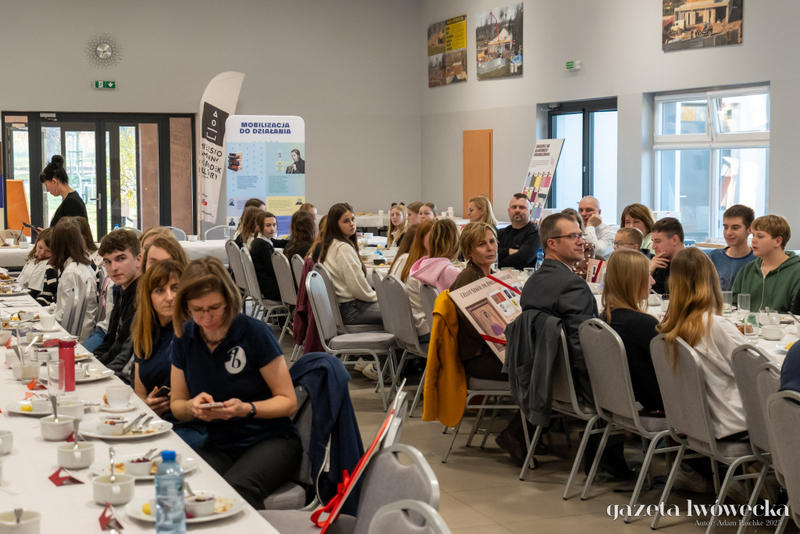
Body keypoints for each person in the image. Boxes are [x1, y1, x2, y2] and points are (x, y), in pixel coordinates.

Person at [170, 257, 301, 508]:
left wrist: (247, 409)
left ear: (229, 300)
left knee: (233, 492)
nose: (206, 318)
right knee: (183, 486)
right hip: (221, 442)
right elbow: (177, 405)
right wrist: (192, 407)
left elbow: (288, 402)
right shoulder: (185, 337)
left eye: (214, 308)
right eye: (197, 310)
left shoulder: (255, 333)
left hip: (270, 439)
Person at [658, 248, 747, 440]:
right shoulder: (715, 325)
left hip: (694, 423)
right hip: (732, 424)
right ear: (711, 280)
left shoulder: (669, 326)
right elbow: (755, 371)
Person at [521, 213, 596, 404]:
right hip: (575, 388)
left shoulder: (532, 281)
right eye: (573, 236)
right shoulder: (573, 285)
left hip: (546, 381)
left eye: (580, 235)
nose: (581, 242)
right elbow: (582, 345)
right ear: (552, 244)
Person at [131, 260, 207, 449]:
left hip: (193, 425)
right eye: (159, 290)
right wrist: (147, 405)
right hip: (157, 422)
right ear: (148, 297)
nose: (170, 297)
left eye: (175, 288)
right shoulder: (145, 333)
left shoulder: (196, 332)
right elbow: (140, 393)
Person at [601, 249, 663, 412]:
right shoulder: (643, 323)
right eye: (647, 275)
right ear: (632, 280)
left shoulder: (604, 318)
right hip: (656, 403)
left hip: (620, 402)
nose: (653, 281)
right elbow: (671, 365)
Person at [450, 222, 501, 380]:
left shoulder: (492, 275)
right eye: (481, 244)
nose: (490, 248)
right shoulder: (468, 279)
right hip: (480, 357)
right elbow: (478, 330)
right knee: (537, 366)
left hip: (496, 350)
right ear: (469, 252)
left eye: (492, 241)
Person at [320, 203, 381, 324]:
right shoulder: (343, 248)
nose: (352, 223)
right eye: (346, 221)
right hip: (352, 309)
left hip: (344, 308)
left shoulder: (331, 244)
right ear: (335, 225)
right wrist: (379, 297)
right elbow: (357, 287)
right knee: (402, 311)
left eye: (353, 219)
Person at [731, 215, 800, 313]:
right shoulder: (747, 269)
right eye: (753, 235)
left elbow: (796, 314)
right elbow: (733, 305)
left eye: (760, 236)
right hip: (745, 322)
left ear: (778, 241)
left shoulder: (796, 271)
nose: (753, 240)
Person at [408, 219, 461, 343]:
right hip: (441, 331)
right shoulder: (451, 273)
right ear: (455, 242)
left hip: (422, 325)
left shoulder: (422, 266)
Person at [94, 230, 142, 366]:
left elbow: (121, 350)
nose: (113, 268)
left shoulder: (140, 297)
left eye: (121, 259)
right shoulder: (123, 290)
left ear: (138, 260)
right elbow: (109, 340)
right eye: (108, 262)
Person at [48, 220, 99, 341]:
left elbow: (66, 314)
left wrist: (44, 322)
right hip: (82, 331)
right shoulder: (82, 265)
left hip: (74, 337)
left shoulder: (72, 272)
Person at [707, 205, 756, 292]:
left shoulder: (758, 261)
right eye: (725, 227)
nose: (728, 233)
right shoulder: (712, 258)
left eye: (735, 228)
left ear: (749, 229)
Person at [39, 155, 87, 228]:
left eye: (46, 185)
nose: (47, 190)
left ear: (54, 182)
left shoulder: (71, 203)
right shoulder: (71, 199)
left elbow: (71, 232)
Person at [497, 193, 541, 269]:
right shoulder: (501, 233)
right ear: (508, 211)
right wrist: (507, 251)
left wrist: (497, 263)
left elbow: (521, 260)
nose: (517, 210)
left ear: (530, 212)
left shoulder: (535, 234)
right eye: (514, 207)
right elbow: (488, 254)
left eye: (522, 207)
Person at [249, 212, 282, 304]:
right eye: (268, 225)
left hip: (265, 287)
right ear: (258, 228)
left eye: (274, 225)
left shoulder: (261, 241)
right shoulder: (263, 245)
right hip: (270, 290)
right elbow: (273, 270)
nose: (272, 228)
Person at [649, 217, 684, 295]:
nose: (653, 247)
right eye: (653, 241)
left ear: (674, 240)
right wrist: (649, 272)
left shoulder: (693, 264)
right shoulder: (660, 263)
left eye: (658, 241)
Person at [17, 228, 52, 300]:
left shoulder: (44, 265)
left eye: (48, 251)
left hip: (26, 299)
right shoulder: (34, 259)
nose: (42, 252)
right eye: (40, 247)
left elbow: (33, 292)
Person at [561, 208, 594, 277]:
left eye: (573, 222)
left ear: (579, 225)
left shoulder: (587, 247)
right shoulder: (559, 245)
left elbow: (582, 274)